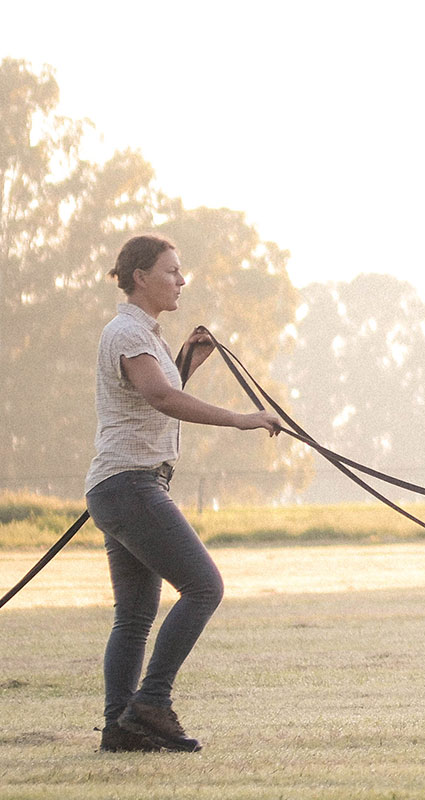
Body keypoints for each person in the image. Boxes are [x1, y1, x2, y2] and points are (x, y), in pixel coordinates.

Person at [86, 234, 281, 753]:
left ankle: (119, 728)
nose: (181, 279)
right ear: (141, 277)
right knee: (204, 587)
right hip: (131, 484)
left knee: (134, 617)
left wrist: (187, 360)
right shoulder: (127, 331)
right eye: (172, 270)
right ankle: (150, 702)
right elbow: (160, 396)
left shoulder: (140, 335)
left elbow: (154, 393)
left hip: (121, 484)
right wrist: (242, 420)